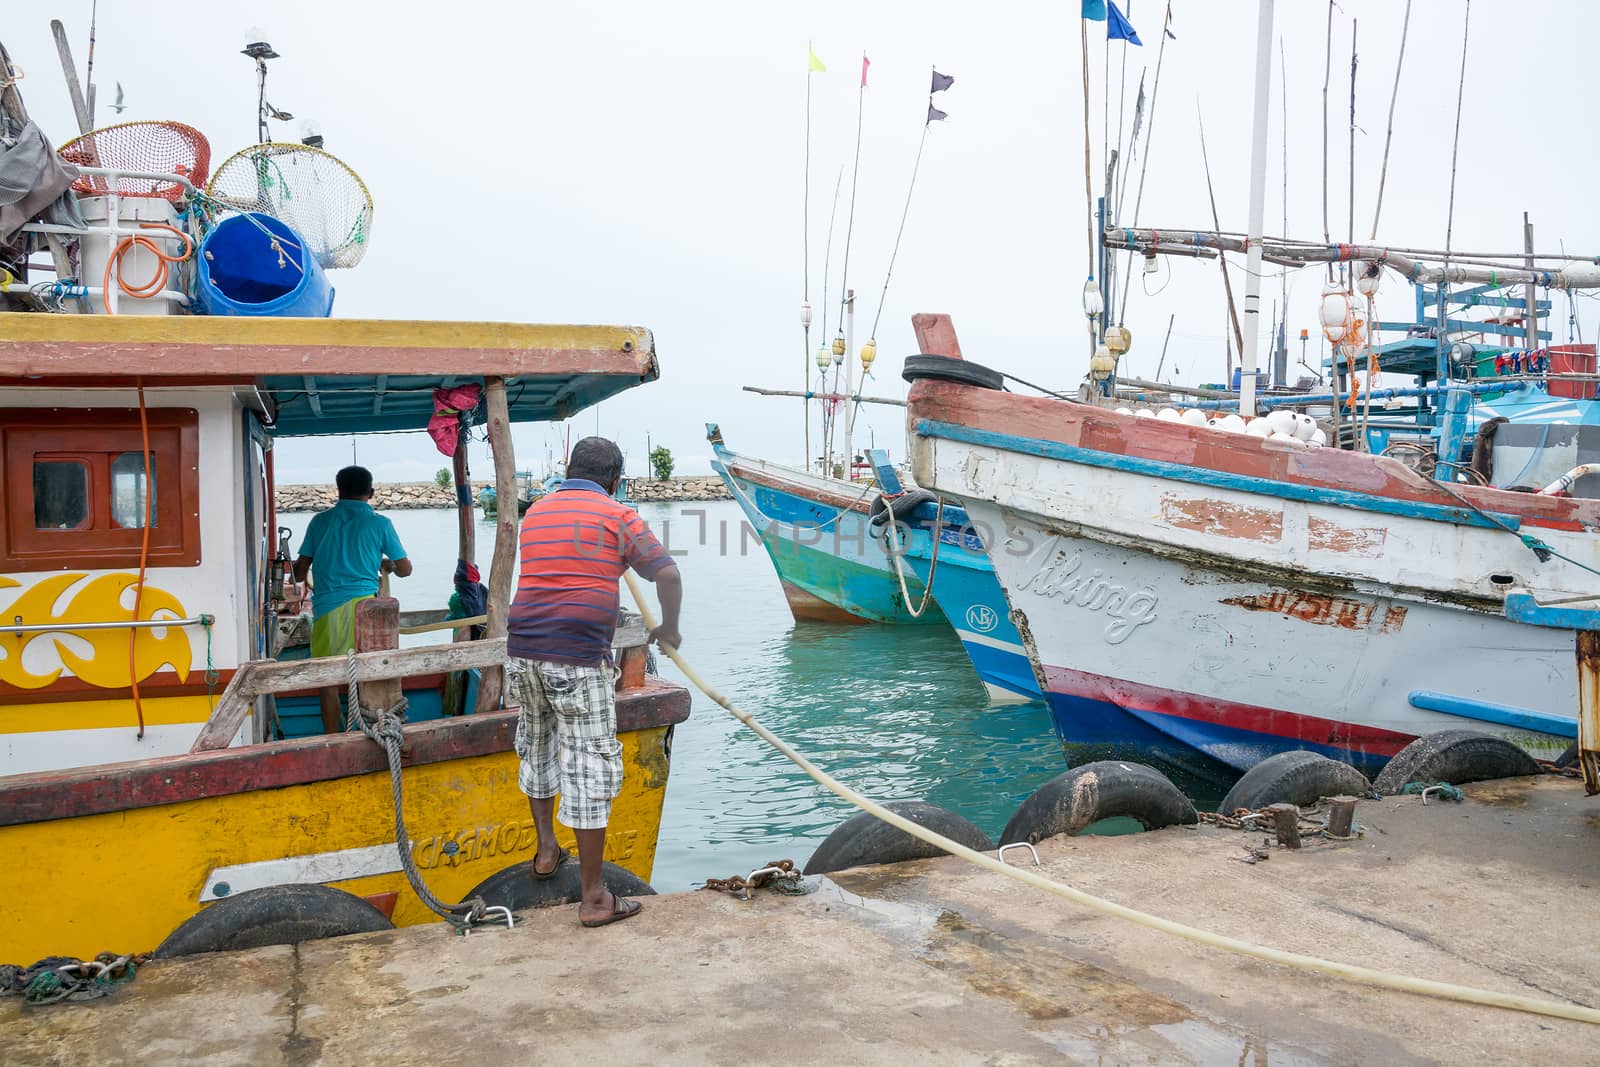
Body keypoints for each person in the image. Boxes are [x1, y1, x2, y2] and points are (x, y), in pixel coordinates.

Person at [507, 436, 682, 928]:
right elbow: (667, 575)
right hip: (576, 656)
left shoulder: (537, 512)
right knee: (590, 765)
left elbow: (565, 568)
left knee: (537, 744)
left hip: (522, 650)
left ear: (568, 468)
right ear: (615, 478)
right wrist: (668, 628)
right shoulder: (617, 514)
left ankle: (546, 851)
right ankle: (594, 898)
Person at [292, 465, 412, 732]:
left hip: (326, 611)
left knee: (328, 681)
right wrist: (387, 565)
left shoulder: (319, 522)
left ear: (338, 491)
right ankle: (369, 733)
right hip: (365, 611)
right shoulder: (380, 523)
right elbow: (405, 569)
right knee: (365, 676)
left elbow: (300, 574)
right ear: (371, 492)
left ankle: (333, 739)